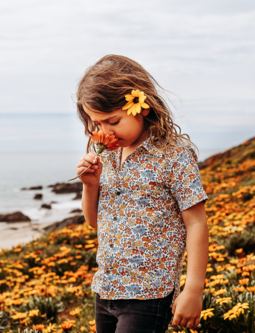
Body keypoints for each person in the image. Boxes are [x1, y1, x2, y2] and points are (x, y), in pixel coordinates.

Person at [75, 54, 209, 333]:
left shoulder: (173, 155)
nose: (105, 133)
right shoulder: (107, 157)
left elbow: (196, 223)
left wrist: (193, 289)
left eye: (113, 121)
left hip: (148, 294)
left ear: (142, 107)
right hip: (106, 290)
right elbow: (94, 221)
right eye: (97, 124)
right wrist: (90, 185)